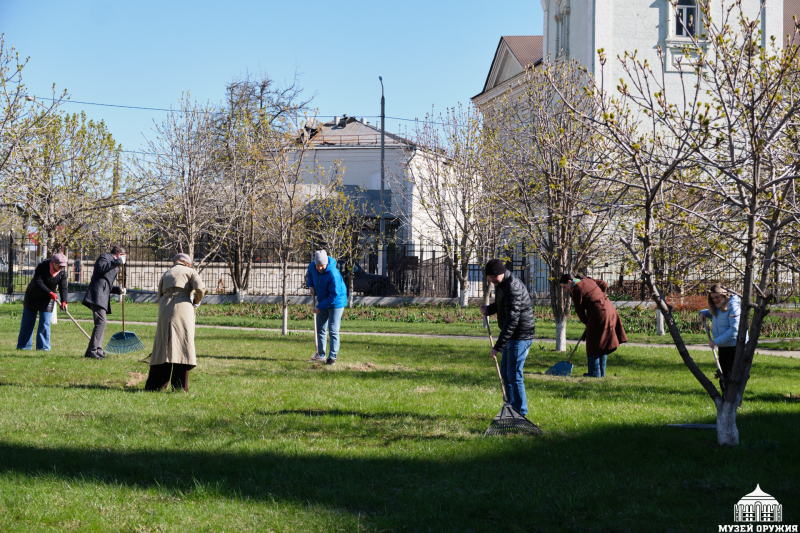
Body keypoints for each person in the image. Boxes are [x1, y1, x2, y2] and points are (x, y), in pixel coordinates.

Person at [480, 259, 536, 416]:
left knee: (514, 374)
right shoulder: (501, 284)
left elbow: (512, 321)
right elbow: (502, 305)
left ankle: (521, 413)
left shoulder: (512, 287)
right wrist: (489, 309)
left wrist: (497, 347)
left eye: (494, 276)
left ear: (502, 273)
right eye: (489, 277)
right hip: (512, 335)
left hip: (520, 335)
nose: (492, 279)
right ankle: (512, 409)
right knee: (505, 372)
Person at [145, 253, 207, 392]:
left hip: (165, 307)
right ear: (187, 263)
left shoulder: (167, 273)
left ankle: (156, 385)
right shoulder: (190, 271)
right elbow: (200, 289)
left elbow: (159, 294)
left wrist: (163, 307)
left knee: (163, 344)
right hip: (183, 307)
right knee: (182, 343)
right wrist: (196, 301)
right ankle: (179, 386)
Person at [559, 273, 628, 377]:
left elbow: (579, 311)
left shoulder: (576, 290)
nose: (565, 289)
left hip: (599, 314)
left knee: (593, 343)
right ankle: (601, 373)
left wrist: (587, 322)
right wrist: (600, 297)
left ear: (569, 281)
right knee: (602, 342)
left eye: (564, 287)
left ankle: (594, 373)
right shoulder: (587, 280)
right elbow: (604, 284)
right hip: (609, 309)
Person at [82, 245, 127, 359]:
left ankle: (98, 350)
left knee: (102, 322)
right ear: (120, 255)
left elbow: (106, 284)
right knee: (101, 322)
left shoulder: (114, 265)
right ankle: (91, 351)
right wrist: (117, 262)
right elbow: (101, 268)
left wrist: (118, 290)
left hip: (102, 295)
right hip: (96, 295)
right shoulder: (105, 257)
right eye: (124, 257)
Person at [17, 253, 69, 351]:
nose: (61, 268)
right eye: (60, 266)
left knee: (45, 323)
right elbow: (38, 281)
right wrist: (49, 292)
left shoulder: (62, 272)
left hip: (47, 299)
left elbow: (63, 287)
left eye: (63, 266)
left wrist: (64, 301)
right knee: (28, 322)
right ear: (53, 263)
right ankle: (24, 346)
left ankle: (43, 348)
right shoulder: (42, 266)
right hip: (33, 296)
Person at [306, 250, 347, 365]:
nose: (320, 268)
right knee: (320, 328)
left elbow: (334, 296)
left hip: (336, 302)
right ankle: (320, 355)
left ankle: (332, 357)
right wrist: (311, 285)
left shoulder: (333, 274)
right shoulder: (312, 266)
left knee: (333, 330)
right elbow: (310, 274)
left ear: (326, 263)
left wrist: (319, 307)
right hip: (323, 299)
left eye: (322, 265)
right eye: (318, 265)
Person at [699, 284, 745, 386]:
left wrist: (716, 341)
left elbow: (734, 329)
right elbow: (717, 314)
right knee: (723, 374)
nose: (715, 300)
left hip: (735, 345)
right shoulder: (718, 307)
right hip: (724, 345)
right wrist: (703, 313)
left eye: (717, 297)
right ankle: (725, 394)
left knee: (733, 376)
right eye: (712, 298)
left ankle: (733, 395)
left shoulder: (733, 307)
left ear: (724, 295)